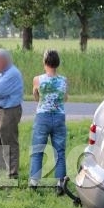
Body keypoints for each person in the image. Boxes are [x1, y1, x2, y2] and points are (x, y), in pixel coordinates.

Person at [29, 50, 68, 194]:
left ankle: (34, 182)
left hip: (42, 116)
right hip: (59, 116)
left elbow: (35, 96)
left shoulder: (37, 79)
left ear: (45, 62)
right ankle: (60, 183)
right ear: (57, 62)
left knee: (38, 149)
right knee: (60, 151)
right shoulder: (63, 80)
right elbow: (65, 98)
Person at [0, 49, 24, 179]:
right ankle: (0, 164)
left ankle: (12, 174)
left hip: (9, 110)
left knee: (9, 141)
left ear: (3, 61)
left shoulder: (12, 74)